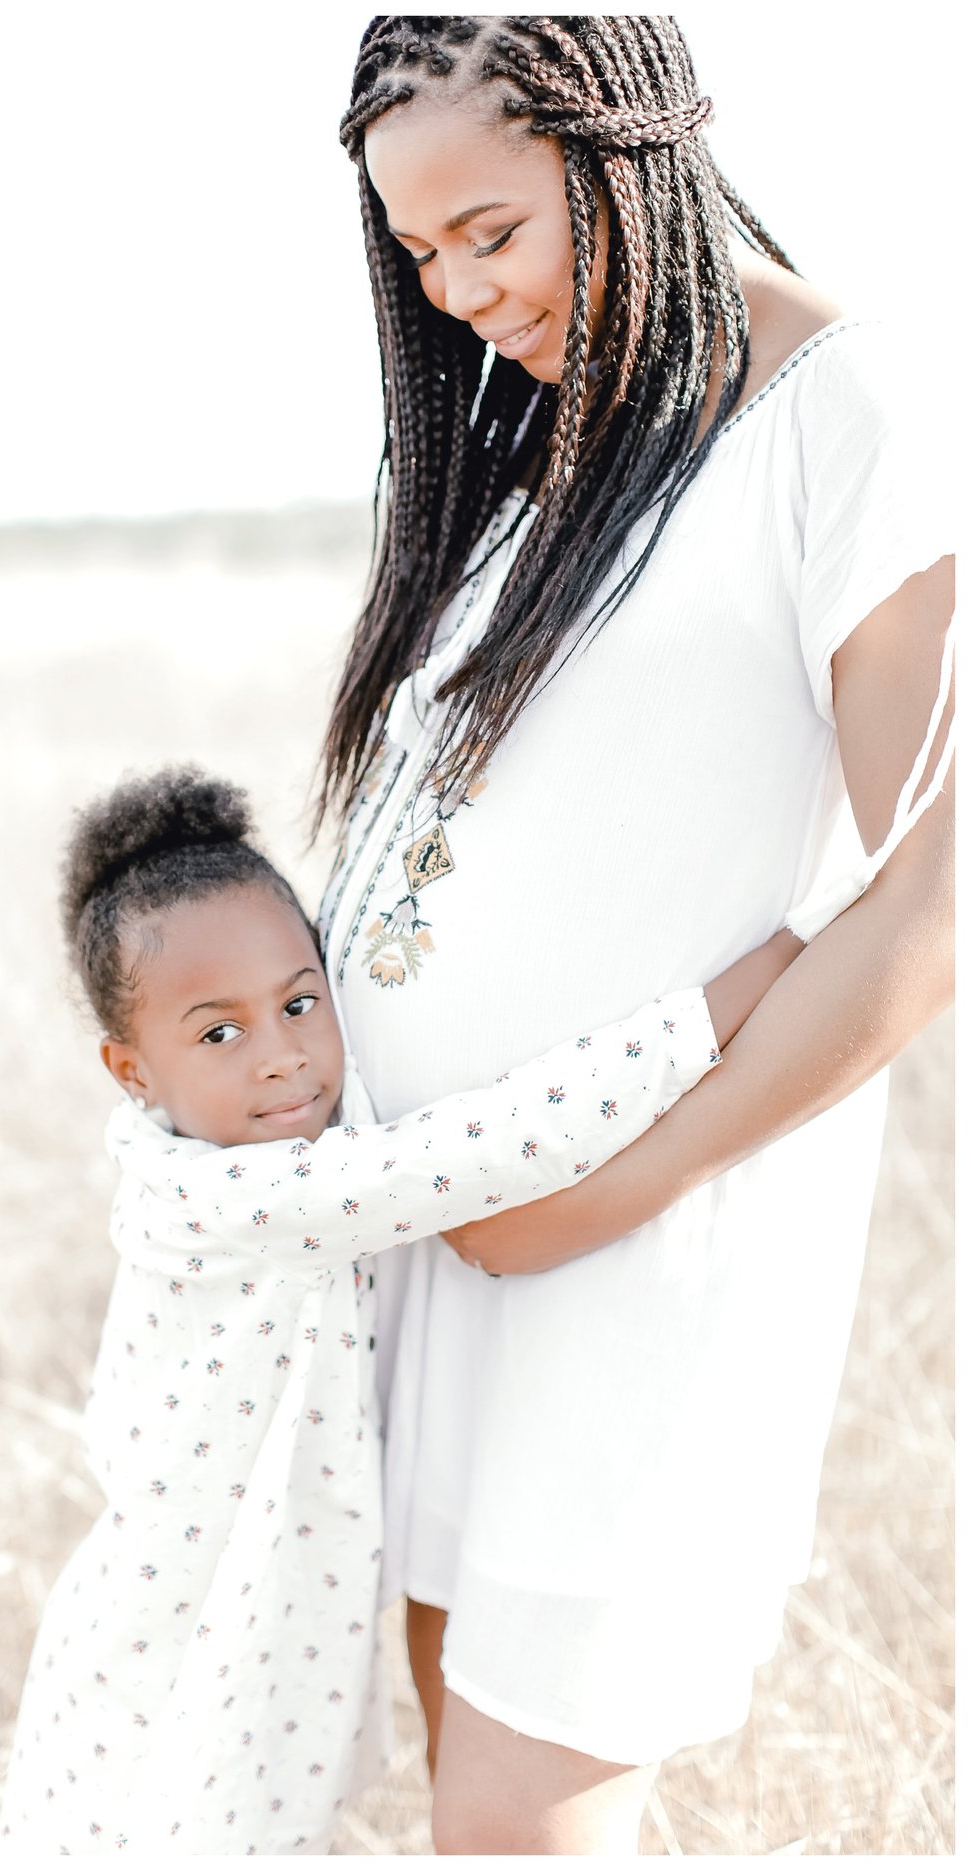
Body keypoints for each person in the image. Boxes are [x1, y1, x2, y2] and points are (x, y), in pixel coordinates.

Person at [324, 17, 954, 1852]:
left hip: (641, 1247)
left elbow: (930, 904)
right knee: (468, 1807)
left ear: (627, 148)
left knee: (528, 1820)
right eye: (420, 255)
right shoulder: (555, 433)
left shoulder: (851, 408)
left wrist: (593, 1200)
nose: (457, 295)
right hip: (456, 1237)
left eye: (492, 233)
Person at [0, 767, 792, 1853]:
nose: (278, 1053)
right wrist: (749, 989)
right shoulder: (249, 1192)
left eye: (296, 1001)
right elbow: (493, 1142)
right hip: (170, 1645)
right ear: (130, 1071)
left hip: (237, 1619)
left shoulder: (265, 1132)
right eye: (215, 1033)